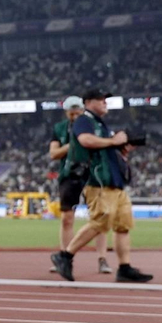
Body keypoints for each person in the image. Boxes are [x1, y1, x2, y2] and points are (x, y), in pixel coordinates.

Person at [50, 90, 152, 283]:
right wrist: (113, 141)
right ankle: (65, 256)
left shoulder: (99, 124)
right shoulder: (84, 120)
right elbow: (85, 140)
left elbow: (103, 146)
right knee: (100, 222)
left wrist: (121, 147)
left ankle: (124, 267)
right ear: (88, 102)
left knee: (123, 225)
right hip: (99, 180)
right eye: (101, 100)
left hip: (115, 181)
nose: (105, 102)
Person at [49, 96, 112, 275]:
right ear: (66, 112)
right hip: (69, 175)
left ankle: (102, 259)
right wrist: (74, 144)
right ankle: (65, 257)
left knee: (98, 218)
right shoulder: (60, 128)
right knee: (67, 218)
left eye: (78, 112)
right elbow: (53, 153)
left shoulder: (94, 125)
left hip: (93, 175)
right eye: (71, 113)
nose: (75, 116)